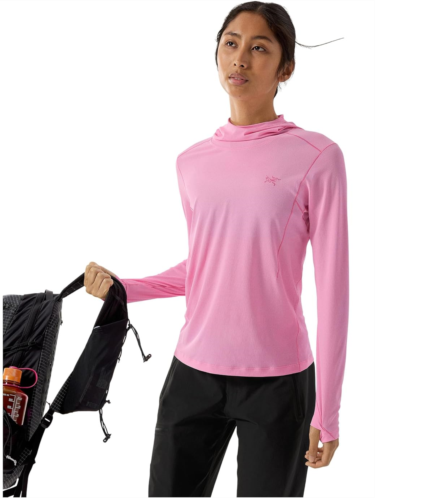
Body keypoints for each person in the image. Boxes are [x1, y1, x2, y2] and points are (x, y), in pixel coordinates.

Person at [84, 2, 349, 496]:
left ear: (286, 68)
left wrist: (327, 410)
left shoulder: (318, 157)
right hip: (192, 373)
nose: (240, 58)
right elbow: (207, 266)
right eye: (231, 43)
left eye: (259, 48)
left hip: (278, 383)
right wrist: (123, 288)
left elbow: (335, 290)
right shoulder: (192, 162)